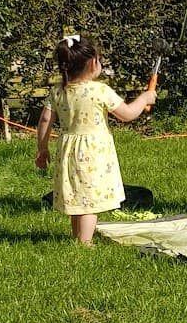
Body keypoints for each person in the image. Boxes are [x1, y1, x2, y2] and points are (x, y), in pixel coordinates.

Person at [35, 34, 156, 244]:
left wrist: (42, 149)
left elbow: (45, 120)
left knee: (76, 196)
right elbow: (127, 114)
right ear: (93, 63)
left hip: (67, 151)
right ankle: (85, 243)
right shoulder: (100, 91)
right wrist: (144, 97)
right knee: (89, 201)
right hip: (92, 153)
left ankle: (77, 238)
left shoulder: (57, 91)